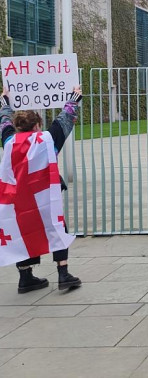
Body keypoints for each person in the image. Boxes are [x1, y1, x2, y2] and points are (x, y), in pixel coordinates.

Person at [0, 86, 82, 293]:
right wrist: (74, 97)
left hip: (18, 199)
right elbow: (65, 119)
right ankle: (63, 274)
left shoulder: (9, 141)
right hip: (44, 196)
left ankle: (25, 276)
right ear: (37, 125)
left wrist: (4, 101)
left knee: (21, 231)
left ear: (18, 127)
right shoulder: (47, 140)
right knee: (56, 228)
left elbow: (4, 122)